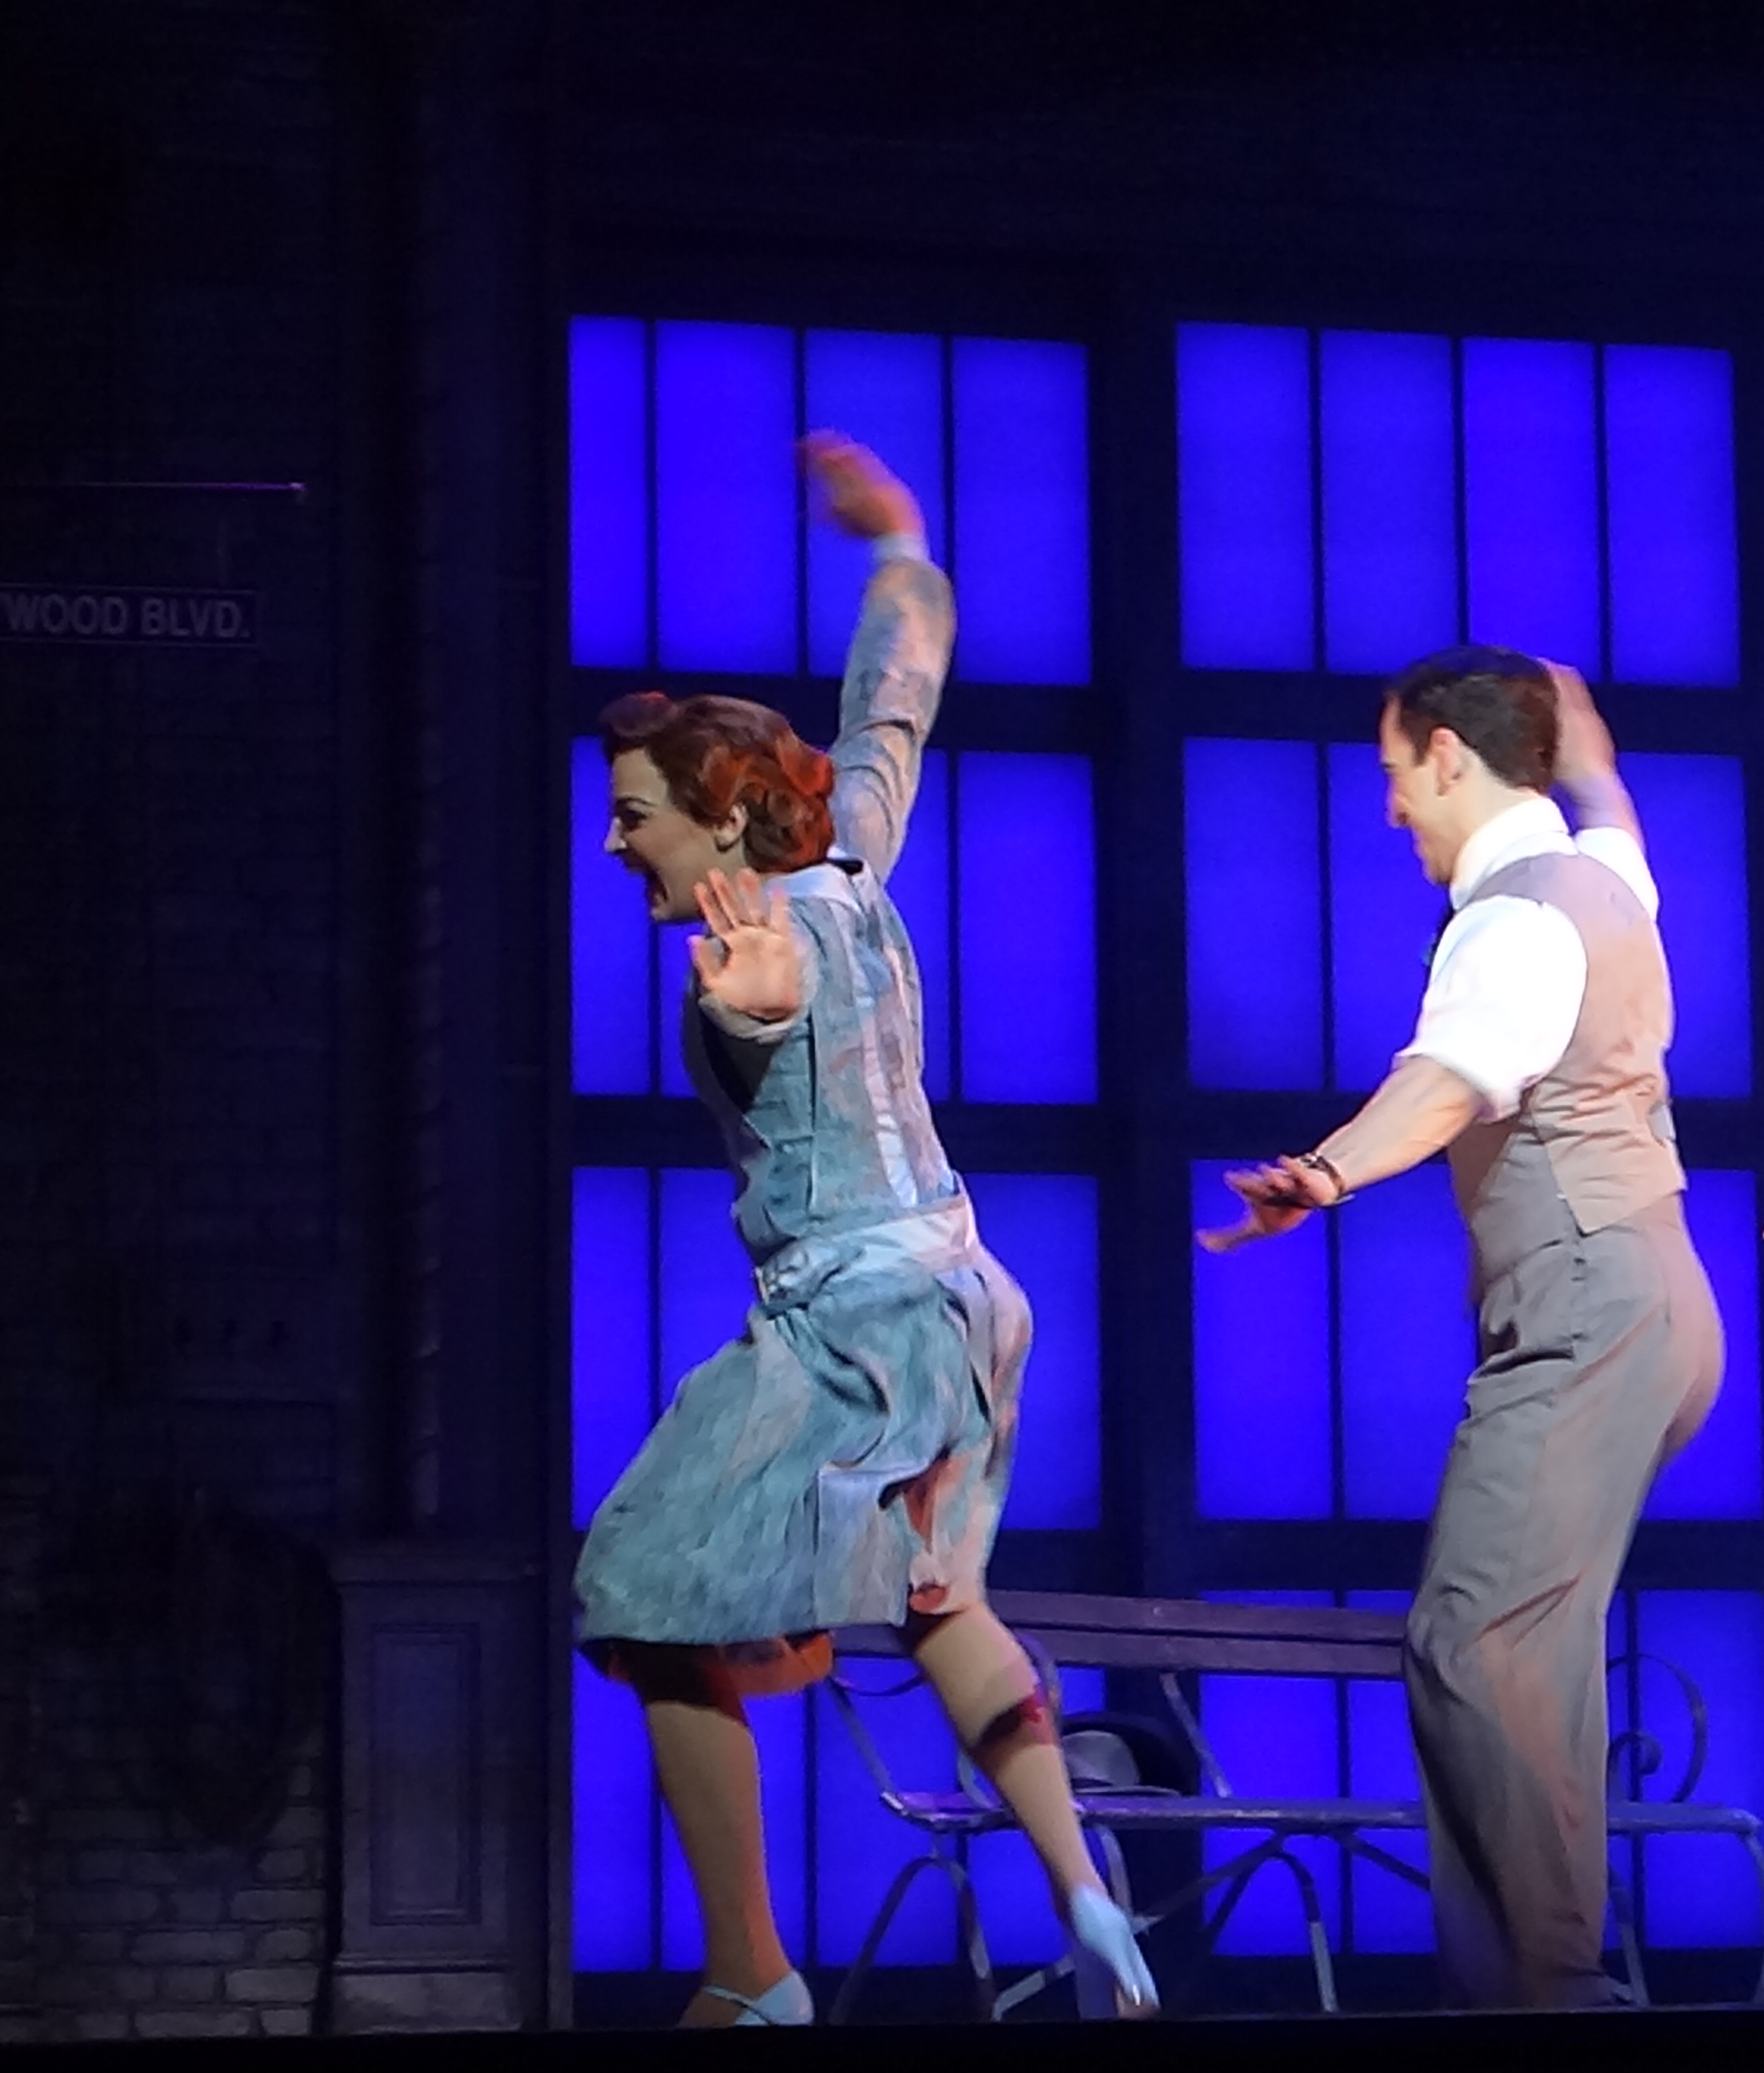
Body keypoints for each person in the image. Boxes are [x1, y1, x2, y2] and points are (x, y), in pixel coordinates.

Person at [571, 431, 1156, 2027]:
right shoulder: (853, 862)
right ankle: (1088, 1897)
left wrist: (751, 1005)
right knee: (939, 1599)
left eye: (634, 815)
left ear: (720, 823)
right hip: (967, 1297)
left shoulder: (763, 937)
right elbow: (891, 706)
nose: (616, 844)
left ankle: (750, 1973)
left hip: (854, 1323)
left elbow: (768, 1009)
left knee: (638, 1591)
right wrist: (899, 542)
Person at [1198, 649, 1723, 2008]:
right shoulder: (1604, 881)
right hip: (1657, 1301)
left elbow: (1452, 1077)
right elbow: (1613, 811)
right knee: (1532, 1648)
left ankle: (1549, 1992)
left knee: (1473, 1636)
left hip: (1586, 1302)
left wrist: (1325, 1173)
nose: (1390, 809)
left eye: (1395, 773)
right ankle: (1535, 1982)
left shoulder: (1517, 915)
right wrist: (1584, 742)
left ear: (1446, 755)